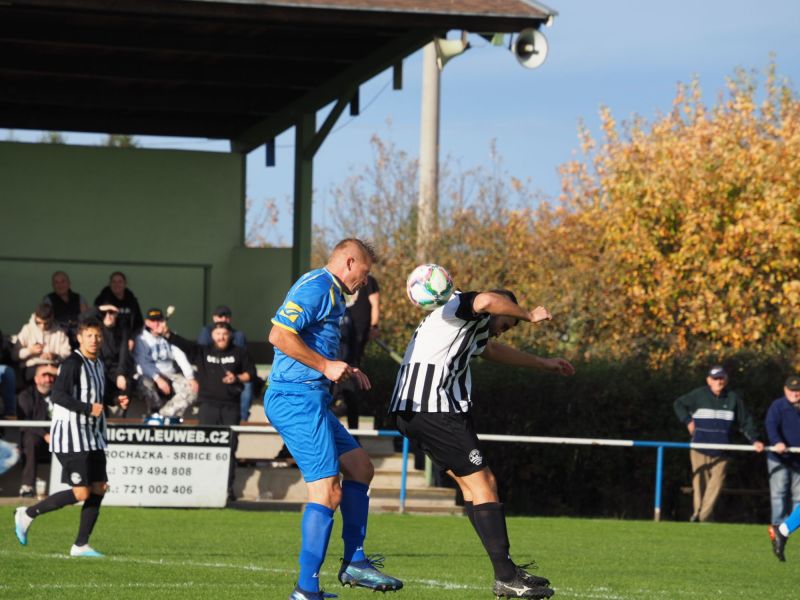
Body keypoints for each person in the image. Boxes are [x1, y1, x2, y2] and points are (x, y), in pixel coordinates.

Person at [389, 289, 573, 599]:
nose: (508, 328)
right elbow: (487, 300)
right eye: (509, 321)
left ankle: (508, 571)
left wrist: (543, 363)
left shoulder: (465, 326)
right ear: (500, 309)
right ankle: (506, 577)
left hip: (411, 411)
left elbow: (490, 351)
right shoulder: (461, 304)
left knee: (472, 489)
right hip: (432, 407)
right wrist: (527, 313)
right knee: (485, 482)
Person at [265, 238, 402, 600]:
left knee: (360, 468)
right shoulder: (317, 287)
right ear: (350, 261)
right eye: (365, 273)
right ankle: (306, 590)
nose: (365, 280)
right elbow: (278, 335)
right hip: (294, 398)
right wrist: (326, 365)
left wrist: (343, 368)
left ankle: (355, 561)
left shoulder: (336, 295)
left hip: (312, 398)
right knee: (327, 492)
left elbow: (312, 344)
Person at [14, 316, 129, 557]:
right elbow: (58, 396)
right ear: (80, 338)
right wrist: (88, 408)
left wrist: (116, 398)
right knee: (81, 492)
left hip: (94, 435)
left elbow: (103, 391)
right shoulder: (72, 364)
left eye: (98, 335)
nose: (95, 340)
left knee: (99, 487)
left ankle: (80, 545)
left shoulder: (97, 363)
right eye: (89, 335)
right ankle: (27, 514)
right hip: (71, 435)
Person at [164, 319, 254, 501]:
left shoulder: (240, 353)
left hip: (230, 407)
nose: (221, 337)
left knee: (230, 449)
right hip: (208, 406)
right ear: (212, 335)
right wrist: (168, 334)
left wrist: (236, 377)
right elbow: (185, 345)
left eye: (224, 334)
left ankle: (227, 489)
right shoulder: (203, 351)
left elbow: (250, 374)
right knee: (205, 448)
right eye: (218, 334)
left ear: (230, 336)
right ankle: (203, 487)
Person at [674, 365, 765, 523]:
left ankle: (704, 516)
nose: (719, 381)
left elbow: (745, 421)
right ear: (709, 380)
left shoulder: (733, 398)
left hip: (723, 449)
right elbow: (678, 404)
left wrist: (754, 440)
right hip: (700, 447)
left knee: (716, 484)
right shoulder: (698, 395)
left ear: (726, 379)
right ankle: (697, 514)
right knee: (699, 482)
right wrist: (688, 421)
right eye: (715, 378)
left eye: (721, 378)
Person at [132, 307, 198, 418]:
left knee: (193, 390)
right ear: (147, 323)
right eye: (153, 321)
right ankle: (153, 415)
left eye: (159, 320)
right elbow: (143, 363)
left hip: (171, 375)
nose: (157, 323)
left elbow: (180, 356)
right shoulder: (141, 339)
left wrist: (190, 377)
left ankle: (163, 415)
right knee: (147, 384)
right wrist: (158, 378)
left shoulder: (169, 335)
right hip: (150, 375)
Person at [333, 275, 380, 429]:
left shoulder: (347, 316)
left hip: (349, 364)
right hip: (330, 365)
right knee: (330, 400)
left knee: (351, 399)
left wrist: (374, 326)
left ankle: (355, 436)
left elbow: (352, 342)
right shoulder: (331, 311)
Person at [197, 305, 252, 422]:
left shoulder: (238, 334)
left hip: (234, 372)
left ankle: (242, 419)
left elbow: (243, 360)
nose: (223, 319)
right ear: (214, 318)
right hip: (211, 370)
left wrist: (237, 376)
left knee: (248, 385)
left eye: (226, 317)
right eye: (220, 316)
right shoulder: (206, 331)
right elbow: (201, 354)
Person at [766, 375, 800, 539]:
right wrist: (777, 442)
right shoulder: (778, 406)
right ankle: (777, 529)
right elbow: (771, 425)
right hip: (780, 459)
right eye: (792, 390)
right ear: (785, 390)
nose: (795, 393)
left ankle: (788, 529)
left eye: (798, 390)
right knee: (779, 495)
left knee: (798, 497)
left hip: (798, 461)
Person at [16, 362, 57, 497]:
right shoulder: (25, 395)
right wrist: (45, 435)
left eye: (51, 375)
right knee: (31, 440)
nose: (48, 379)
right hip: (36, 439)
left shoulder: (60, 395)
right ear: (36, 379)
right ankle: (27, 487)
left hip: (58, 437)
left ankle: (73, 485)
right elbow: (26, 422)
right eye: (44, 375)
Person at [12, 303, 71, 379]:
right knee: (43, 376)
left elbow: (68, 354)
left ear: (51, 318)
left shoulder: (59, 332)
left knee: (62, 375)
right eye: (38, 323)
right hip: (31, 366)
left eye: (46, 323)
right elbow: (14, 355)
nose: (42, 326)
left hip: (52, 366)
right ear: (35, 317)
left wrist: (54, 355)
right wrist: (30, 351)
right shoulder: (27, 329)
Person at [96, 305, 134, 413]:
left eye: (111, 313)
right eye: (105, 313)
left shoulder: (122, 330)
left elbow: (124, 354)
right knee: (99, 382)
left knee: (126, 384)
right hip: (101, 369)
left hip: (116, 369)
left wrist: (120, 374)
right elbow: (83, 316)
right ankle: (104, 415)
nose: (108, 316)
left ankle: (121, 416)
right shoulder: (97, 329)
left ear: (117, 315)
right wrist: (99, 309)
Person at [43, 270, 89, 346]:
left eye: (63, 281)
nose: (60, 285)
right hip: (58, 339)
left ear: (69, 283)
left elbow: (86, 319)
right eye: (56, 282)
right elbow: (46, 320)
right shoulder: (48, 300)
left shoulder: (79, 298)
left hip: (78, 338)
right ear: (53, 285)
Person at [94, 271, 144, 337]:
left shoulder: (132, 301)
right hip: (107, 340)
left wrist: (132, 338)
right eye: (114, 282)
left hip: (127, 340)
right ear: (110, 284)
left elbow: (139, 323)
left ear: (125, 284)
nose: (116, 284)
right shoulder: (102, 301)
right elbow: (94, 319)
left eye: (120, 282)